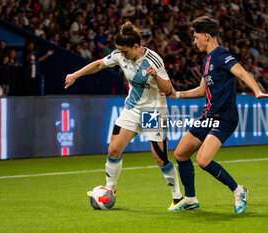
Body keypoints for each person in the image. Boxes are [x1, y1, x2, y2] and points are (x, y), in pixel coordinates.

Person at [64, 21, 183, 209]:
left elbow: (169, 90)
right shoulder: (121, 55)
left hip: (153, 111)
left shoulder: (154, 60)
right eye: (118, 50)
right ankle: (110, 189)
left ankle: (178, 198)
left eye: (124, 50)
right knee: (113, 149)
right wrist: (75, 75)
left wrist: (156, 76)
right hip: (132, 109)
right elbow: (98, 64)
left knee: (160, 157)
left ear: (136, 46)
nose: (121, 54)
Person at [168, 16, 268, 213]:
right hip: (208, 116)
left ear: (206, 36)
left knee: (203, 160)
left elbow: (242, 73)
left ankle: (238, 190)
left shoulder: (221, 55)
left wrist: (257, 90)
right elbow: (202, 90)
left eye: (195, 37)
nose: (194, 41)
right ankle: (190, 199)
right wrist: (176, 94)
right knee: (180, 154)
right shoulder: (207, 60)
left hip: (224, 117)